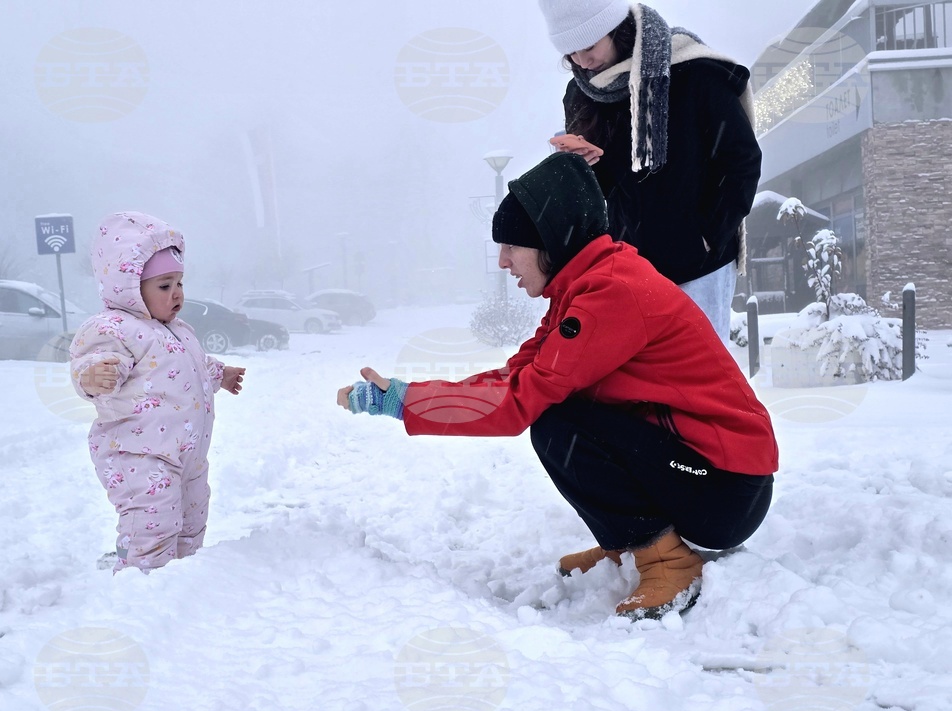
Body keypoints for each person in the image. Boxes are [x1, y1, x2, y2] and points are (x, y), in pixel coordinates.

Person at [336, 153, 777, 620]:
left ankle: (668, 561)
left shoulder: (611, 294)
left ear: (551, 238)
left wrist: (405, 403)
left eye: (512, 245)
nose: (503, 261)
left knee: (556, 423)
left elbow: (519, 401)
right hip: (704, 473)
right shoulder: (585, 287)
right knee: (562, 414)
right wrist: (405, 396)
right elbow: (514, 377)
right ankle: (628, 544)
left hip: (725, 490)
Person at [538, 0, 762, 340]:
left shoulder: (693, 72)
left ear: (617, 29)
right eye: (570, 54)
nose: (582, 62)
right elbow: (605, 191)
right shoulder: (580, 94)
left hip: (698, 267)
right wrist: (581, 168)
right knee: (638, 387)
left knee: (700, 380)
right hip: (626, 270)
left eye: (589, 46)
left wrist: (706, 238)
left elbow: (740, 161)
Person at [70, 211, 246, 573]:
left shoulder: (179, 330)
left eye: (179, 283)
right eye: (164, 285)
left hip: (189, 455)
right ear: (131, 287)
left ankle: (182, 580)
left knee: (192, 521)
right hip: (139, 454)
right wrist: (91, 377)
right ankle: (140, 587)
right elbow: (95, 361)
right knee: (152, 525)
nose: (177, 294)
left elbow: (195, 366)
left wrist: (221, 375)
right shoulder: (114, 328)